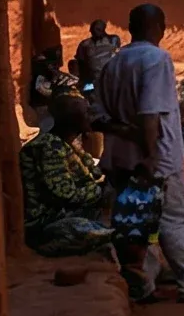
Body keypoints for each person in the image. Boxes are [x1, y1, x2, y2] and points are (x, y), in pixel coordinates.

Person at [96, 4, 184, 303]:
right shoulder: (156, 59)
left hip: (120, 157)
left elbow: (99, 115)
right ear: (159, 26)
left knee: (137, 218)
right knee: (176, 217)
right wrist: (150, 155)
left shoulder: (114, 62)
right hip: (157, 158)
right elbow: (150, 114)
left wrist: (126, 136)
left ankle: (145, 281)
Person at [18, 93, 113, 257]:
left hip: (64, 214)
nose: (91, 117)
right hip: (45, 222)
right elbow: (65, 195)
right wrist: (100, 190)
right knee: (97, 231)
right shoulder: (49, 148)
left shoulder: (66, 143)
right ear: (72, 120)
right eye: (86, 113)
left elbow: (94, 171)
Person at [70, 16, 121, 97]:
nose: (95, 32)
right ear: (90, 30)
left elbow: (117, 55)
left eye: (98, 29)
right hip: (92, 83)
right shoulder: (85, 44)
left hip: (111, 81)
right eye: (93, 29)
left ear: (103, 29)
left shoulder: (113, 40)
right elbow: (80, 63)